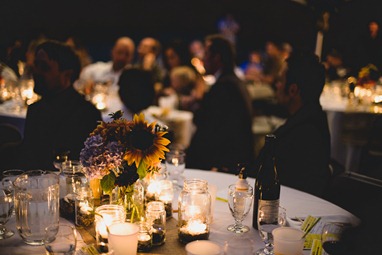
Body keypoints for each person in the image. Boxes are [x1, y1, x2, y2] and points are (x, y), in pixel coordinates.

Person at [15, 40, 102, 170]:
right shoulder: (36, 109)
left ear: (67, 74)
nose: (36, 72)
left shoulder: (86, 113)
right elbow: (28, 162)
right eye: (36, 65)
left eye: (44, 67)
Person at [257, 51, 331, 197]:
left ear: (293, 90)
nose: (277, 86)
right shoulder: (313, 118)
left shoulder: (306, 133)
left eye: (281, 81)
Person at [186, 34, 255, 174]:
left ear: (216, 58)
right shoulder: (232, 81)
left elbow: (205, 122)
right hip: (232, 155)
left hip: (226, 162)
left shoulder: (225, 86)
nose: (202, 59)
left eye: (206, 54)